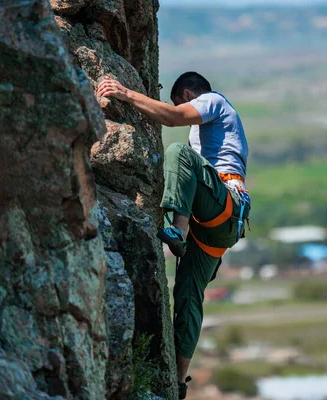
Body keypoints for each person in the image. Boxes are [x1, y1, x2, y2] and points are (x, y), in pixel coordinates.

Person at [97, 72, 250, 399]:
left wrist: (123, 93)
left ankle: (174, 231)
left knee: (179, 153)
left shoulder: (213, 102)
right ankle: (179, 383)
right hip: (217, 225)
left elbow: (172, 117)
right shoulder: (206, 133)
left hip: (226, 204)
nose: (186, 110)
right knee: (188, 297)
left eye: (182, 101)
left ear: (189, 93)